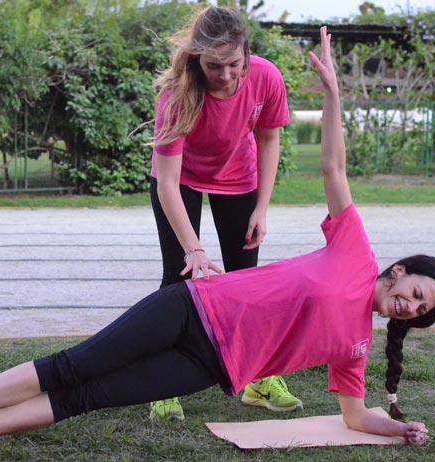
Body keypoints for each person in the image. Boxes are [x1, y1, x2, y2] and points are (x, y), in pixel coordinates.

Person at [0, 27, 435, 462]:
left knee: (84, 399)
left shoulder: (356, 344)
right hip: (196, 307)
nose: (410, 306)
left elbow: (355, 417)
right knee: (74, 367)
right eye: (416, 292)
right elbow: (333, 166)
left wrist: (396, 427)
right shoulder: (356, 251)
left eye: (420, 311)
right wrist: (332, 93)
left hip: (207, 366)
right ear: (399, 271)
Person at [149, 5, 300, 421]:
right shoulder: (177, 96)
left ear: (246, 53)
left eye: (234, 63)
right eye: (215, 66)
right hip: (180, 183)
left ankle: (256, 378)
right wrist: (194, 250)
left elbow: (269, 140)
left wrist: (263, 208)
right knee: (175, 280)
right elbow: (166, 183)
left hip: (239, 178)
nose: (227, 75)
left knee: (246, 281)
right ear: (198, 57)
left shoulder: (266, 77)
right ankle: (162, 389)